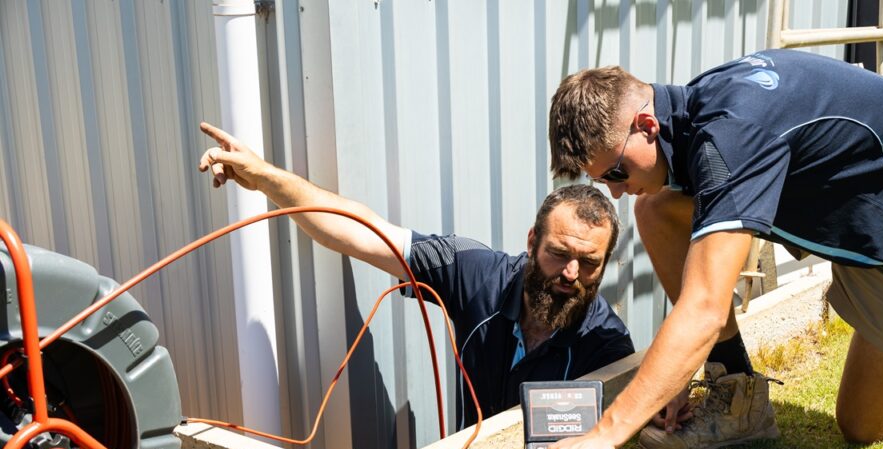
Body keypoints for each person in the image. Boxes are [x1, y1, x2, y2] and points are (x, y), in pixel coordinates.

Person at [539, 49, 883, 449]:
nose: (616, 193)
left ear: (646, 126)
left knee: (866, 422)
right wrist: (672, 377)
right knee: (657, 208)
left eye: (616, 173)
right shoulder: (694, 112)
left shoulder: (731, 135)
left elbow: (704, 308)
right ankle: (738, 398)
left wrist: (606, 434)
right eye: (604, 181)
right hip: (852, 193)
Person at [197, 122, 636, 430]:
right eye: (559, 254)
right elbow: (362, 233)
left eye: (590, 262)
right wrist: (267, 179)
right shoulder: (475, 273)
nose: (571, 274)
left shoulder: (607, 346)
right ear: (532, 241)